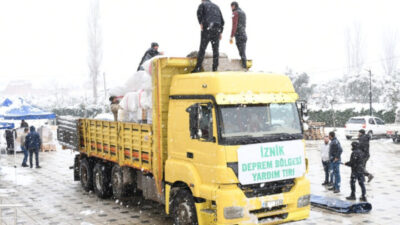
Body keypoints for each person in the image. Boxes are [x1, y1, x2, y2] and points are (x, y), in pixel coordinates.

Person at [192, 0, 225, 73]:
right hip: (217, 29)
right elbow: (222, 21)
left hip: (207, 27)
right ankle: (215, 68)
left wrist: (201, 22)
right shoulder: (216, 6)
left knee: (202, 49)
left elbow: (199, 13)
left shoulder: (203, 5)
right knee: (215, 50)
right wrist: (220, 32)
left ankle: (198, 68)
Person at [230, 1, 247, 69]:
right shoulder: (243, 13)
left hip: (239, 35)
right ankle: (244, 66)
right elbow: (244, 24)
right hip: (244, 34)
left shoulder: (235, 13)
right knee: (243, 52)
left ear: (234, 6)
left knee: (242, 53)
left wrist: (231, 36)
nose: (231, 8)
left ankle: (244, 67)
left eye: (231, 6)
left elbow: (234, 24)